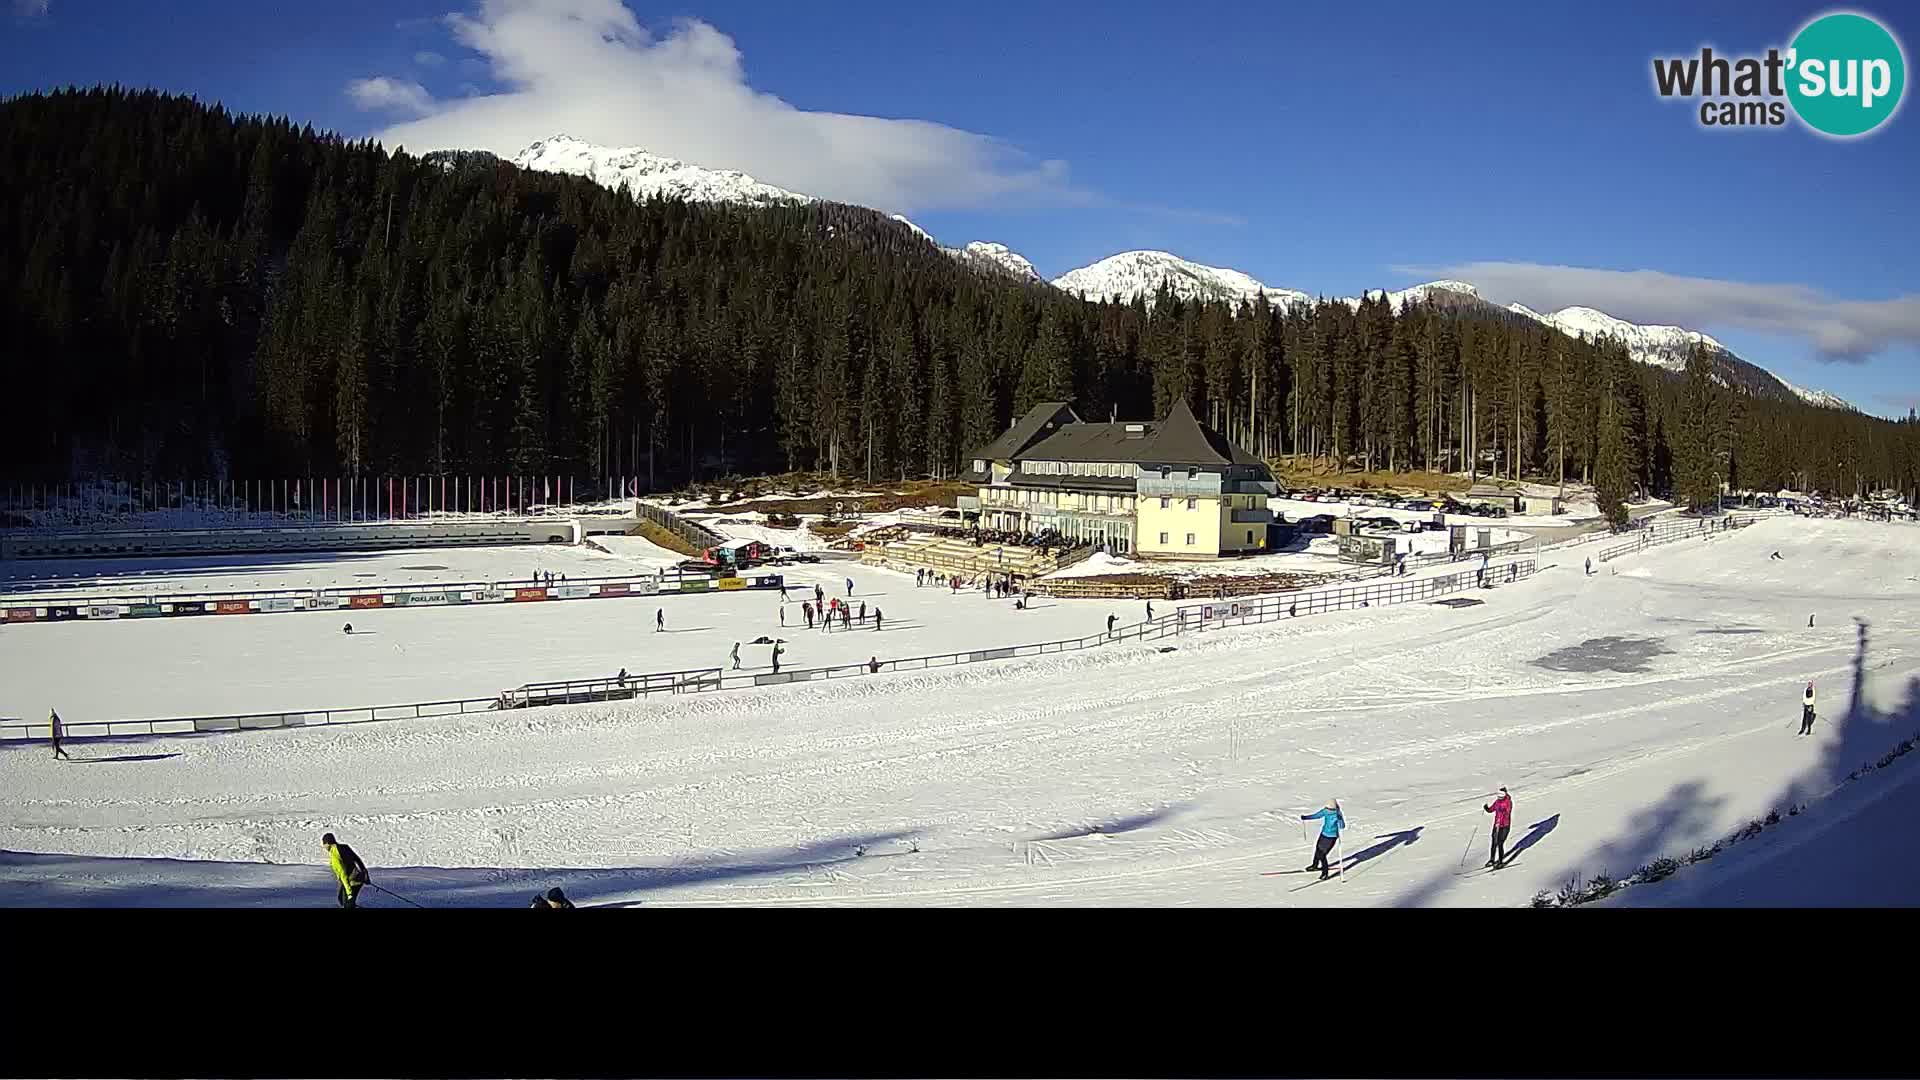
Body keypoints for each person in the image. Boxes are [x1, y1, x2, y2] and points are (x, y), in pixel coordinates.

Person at [1300, 800, 1346, 880]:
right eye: (1327, 809)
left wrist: (1340, 819)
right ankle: (1314, 865)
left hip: (1331, 837)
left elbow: (1342, 826)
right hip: (1323, 834)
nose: (1328, 811)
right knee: (1317, 849)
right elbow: (1317, 815)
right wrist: (1306, 817)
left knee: (1322, 855)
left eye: (1330, 810)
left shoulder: (1337, 814)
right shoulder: (1325, 811)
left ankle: (1325, 873)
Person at [323, 832, 370, 909]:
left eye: (324, 844)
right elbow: (357, 859)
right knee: (341, 899)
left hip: (352, 881)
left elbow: (343, 874)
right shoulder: (345, 847)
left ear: (328, 843)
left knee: (347, 904)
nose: (324, 846)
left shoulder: (334, 855)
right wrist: (365, 873)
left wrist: (349, 893)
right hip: (358, 878)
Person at [1484, 787, 1514, 867]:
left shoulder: (1508, 802)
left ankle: (1500, 861)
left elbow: (1507, 812)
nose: (1499, 798)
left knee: (1500, 843)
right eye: (1498, 797)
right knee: (1494, 843)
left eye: (1501, 797)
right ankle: (1492, 860)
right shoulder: (1497, 802)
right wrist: (1487, 809)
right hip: (1496, 825)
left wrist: (1503, 811)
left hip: (1504, 826)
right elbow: (1492, 809)